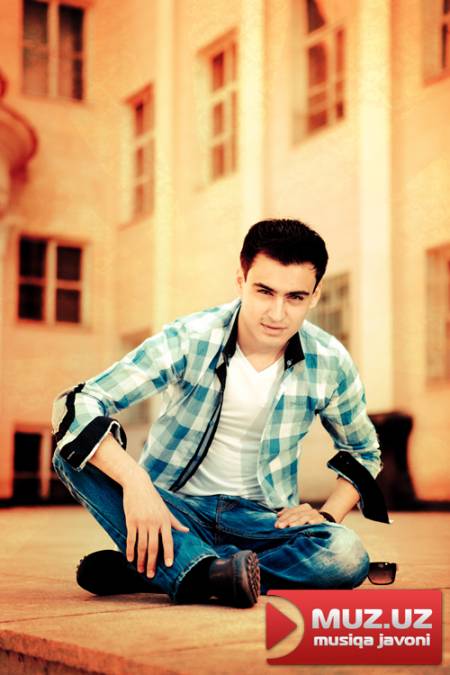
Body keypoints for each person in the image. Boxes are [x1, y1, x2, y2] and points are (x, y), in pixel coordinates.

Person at [52, 218, 382, 609]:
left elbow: (365, 452)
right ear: (241, 280)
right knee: (72, 453)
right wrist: (135, 480)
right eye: (264, 291)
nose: (277, 313)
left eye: (295, 297)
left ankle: (179, 568)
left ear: (315, 296)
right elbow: (76, 403)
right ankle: (208, 567)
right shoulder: (192, 337)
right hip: (174, 511)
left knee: (346, 554)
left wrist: (327, 516)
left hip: (264, 520)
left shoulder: (329, 361)